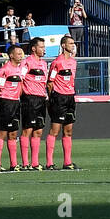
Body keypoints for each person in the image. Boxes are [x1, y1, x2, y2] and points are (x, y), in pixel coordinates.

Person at [46, 34, 79, 169]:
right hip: (59, 98)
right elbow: (50, 82)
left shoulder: (74, 62)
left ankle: (67, 162)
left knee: (69, 130)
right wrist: (52, 98)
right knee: (55, 130)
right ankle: (49, 163)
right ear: (63, 45)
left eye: (73, 43)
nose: (73, 45)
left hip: (70, 97)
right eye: (70, 43)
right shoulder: (56, 63)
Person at [0, 44, 27, 172]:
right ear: (11, 55)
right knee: (2, 133)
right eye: (18, 54)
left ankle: (14, 164)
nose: (20, 56)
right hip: (6, 102)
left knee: (13, 134)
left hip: (16, 103)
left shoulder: (20, 69)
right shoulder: (4, 70)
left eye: (21, 54)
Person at [17, 37, 50, 170]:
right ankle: (25, 163)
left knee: (38, 131)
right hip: (29, 99)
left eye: (44, 47)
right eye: (41, 47)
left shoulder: (44, 64)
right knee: (27, 130)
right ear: (33, 48)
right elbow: (20, 79)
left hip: (41, 99)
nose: (44, 49)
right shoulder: (26, 62)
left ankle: (35, 163)